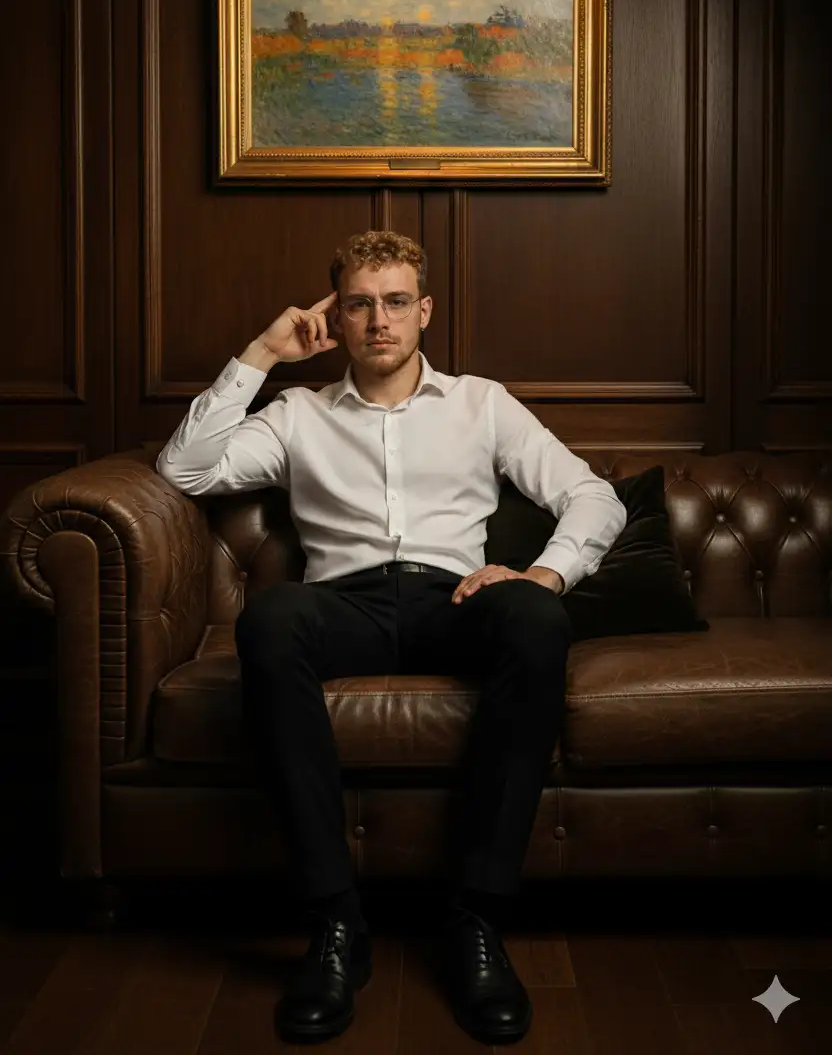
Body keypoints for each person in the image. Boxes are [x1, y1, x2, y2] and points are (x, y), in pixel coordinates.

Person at [156, 229, 627, 1045]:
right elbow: (185, 472)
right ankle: (336, 926)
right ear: (335, 316)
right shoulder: (297, 414)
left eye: (397, 302)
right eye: (360, 304)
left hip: (456, 600)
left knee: (537, 620)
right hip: (346, 605)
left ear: (425, 312)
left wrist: (544, 574)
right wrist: (264, 352)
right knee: (269, 617)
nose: (380, 321)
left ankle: (476, 922)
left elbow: (593, 497)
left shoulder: (483, 404)